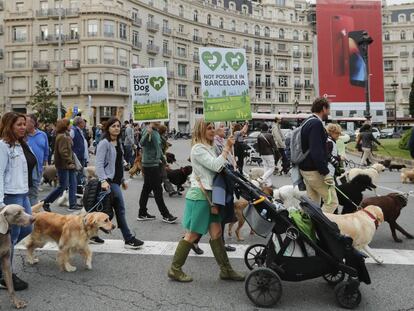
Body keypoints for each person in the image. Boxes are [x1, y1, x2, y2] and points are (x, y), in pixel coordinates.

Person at [168, 120, 245, 283]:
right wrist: (226, 148)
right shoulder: (198, 149)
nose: (211, 130)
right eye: (208, 128)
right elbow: (216, 166)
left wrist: (228, 150)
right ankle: (174, 269)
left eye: (212, 128)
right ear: (200, 131)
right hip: (200, 197)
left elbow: (222, 166)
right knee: (192, 234)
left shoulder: (209, 147)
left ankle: (226, 270)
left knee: (216, 233)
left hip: (211, 196)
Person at [0, 112, 38, 291]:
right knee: (11, 237)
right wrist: (0, 202)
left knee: (28, 227)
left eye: (24, 124)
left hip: (23, 194)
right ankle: (5, 275)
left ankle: (3, 268)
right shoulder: (3, 146)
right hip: (10, 196)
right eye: (19, 124)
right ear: (9, 126)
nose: (23, 127)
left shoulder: (19, 144)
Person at [95, 117, 144, 249]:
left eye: (118, 126)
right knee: (120, 209)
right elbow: (99, 164)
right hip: (109, 182)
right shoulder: (104, 143)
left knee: (104, 211)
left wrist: (122, 179)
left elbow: (117, 162)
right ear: (108, 128)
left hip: (116, 180)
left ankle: (92, 235)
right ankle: (128, 238)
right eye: (113, 126)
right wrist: (103, 180)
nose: (116, 128)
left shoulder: (119, 142)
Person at [299, 98, 338, 213]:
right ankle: (320, 228)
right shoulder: (316, 124)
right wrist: (326, 173)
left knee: (313, 204)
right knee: (332, 202)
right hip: (314, 171)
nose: (329, 112)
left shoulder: (307, 121)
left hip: (305, 169)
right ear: (323, 109)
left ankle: (308, 229)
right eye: (328, 109)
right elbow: (317, 151)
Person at [137, 122, 177, 223]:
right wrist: (147, 134)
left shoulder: (156, 132)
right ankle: (165, 214)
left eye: (159, 121)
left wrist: (163, 161)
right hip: (150, 164)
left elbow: (158, 148)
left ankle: (142, 213)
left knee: (146, 188)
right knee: (157, 189)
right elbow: (141, 143)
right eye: (157, 121)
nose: (158, 122)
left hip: (154, 162)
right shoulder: (148, 129)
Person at [42, 119, 81, 212]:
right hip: (64, 165)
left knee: (73, 184)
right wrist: (70, 162)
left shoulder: (64, 135)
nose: (71, 126)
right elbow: (63, 152)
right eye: (69, 124)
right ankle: (46, 201)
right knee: (63, 186)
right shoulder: (62, 136)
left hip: (67, 165)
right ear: (65, 126)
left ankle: (73, 204)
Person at [26, 114, 49, 205]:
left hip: (38, 168)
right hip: (27, 169)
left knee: (34, 192)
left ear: (33, 123)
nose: (24, 125)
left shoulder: (42, 134)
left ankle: (32, 213)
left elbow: (46, 149)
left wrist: (46, 162)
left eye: (26, 122)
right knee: (27, 193)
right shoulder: (23, 136)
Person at [158, 124, 177, 197]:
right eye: (165, 131)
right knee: (161, 176)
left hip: (161, 158)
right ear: (163, 131)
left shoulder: (162, 138)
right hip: (158, 159)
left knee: (164, 176)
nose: (166, 132)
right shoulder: (158, 138)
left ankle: (171, 190)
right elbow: (159, 150)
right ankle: (149, 190)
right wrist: (164, 160)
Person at [70, 116, 88, 191]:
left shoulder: (80, 130)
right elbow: (68, 142)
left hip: (81, 156)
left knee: (80, 174)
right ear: (79, 123)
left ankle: (79, 189)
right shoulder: (73, 130)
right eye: (83, 122)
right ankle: (77, 190)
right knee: (77, 175)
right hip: (77, 157)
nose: (84, 123)